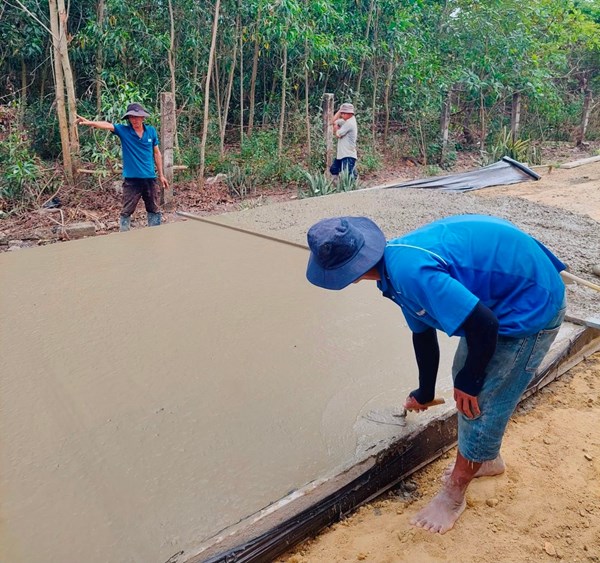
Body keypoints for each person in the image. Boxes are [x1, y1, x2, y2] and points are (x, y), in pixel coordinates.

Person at [305, 214, 566, 534]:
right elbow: (423, 332)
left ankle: (454, 495)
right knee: (464, 374)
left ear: (346, 274)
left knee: (481, 397)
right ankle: (485, 459)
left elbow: (485, 325)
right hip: (502, 297)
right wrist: (424, 392)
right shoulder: (393, 269)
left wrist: (470, 384)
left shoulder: (410, 273)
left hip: (531, 304)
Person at [76, 103, 169, 232]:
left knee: (154, 208)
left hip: (149, 178)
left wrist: (161, 175)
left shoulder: (151, 131)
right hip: (132, 180)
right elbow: (107, 125)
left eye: (137, 117)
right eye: (132, 117)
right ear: (128, 119)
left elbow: (157, 153)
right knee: (127, 211)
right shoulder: (124, 131)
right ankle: (124, 236)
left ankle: (155, 235)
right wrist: (90, 122)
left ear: (143, 117)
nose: (135, 120)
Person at [329, 102, 358, 179]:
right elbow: (332, 122)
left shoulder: (350, 123)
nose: (341, 115)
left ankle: (353, 188)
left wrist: (336, 129)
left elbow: (338, 134)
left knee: (347, 177)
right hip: (342, 154)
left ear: (348, 114)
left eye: (343, 113)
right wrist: (339, 110)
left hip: (348, 154)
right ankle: (339, 187)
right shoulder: (346, 121)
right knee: (334, 170)